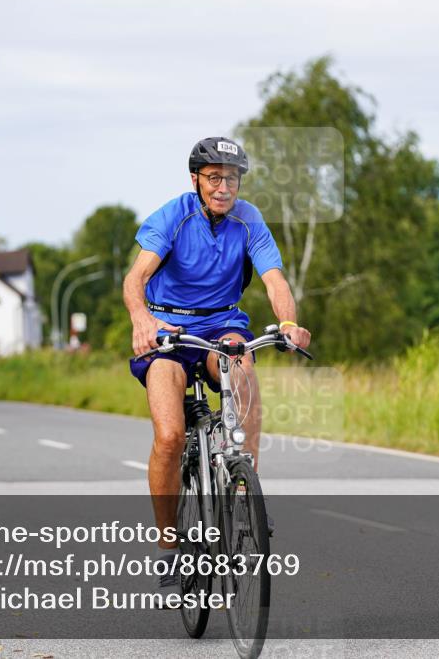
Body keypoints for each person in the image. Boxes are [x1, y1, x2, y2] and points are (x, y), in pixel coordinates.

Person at [122, 137, 311, 601]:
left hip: (221, 324)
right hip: (168, 328)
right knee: (169, 436)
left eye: (231, 177)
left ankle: (246, 488)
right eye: (214, 178)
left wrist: (288, 322)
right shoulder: (174, 215)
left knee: (242, 362)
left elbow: (275, 280)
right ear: (196, 181)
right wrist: (143, 320)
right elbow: (135, 278)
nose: (224, 186)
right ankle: (169, 545)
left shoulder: (249, 220)